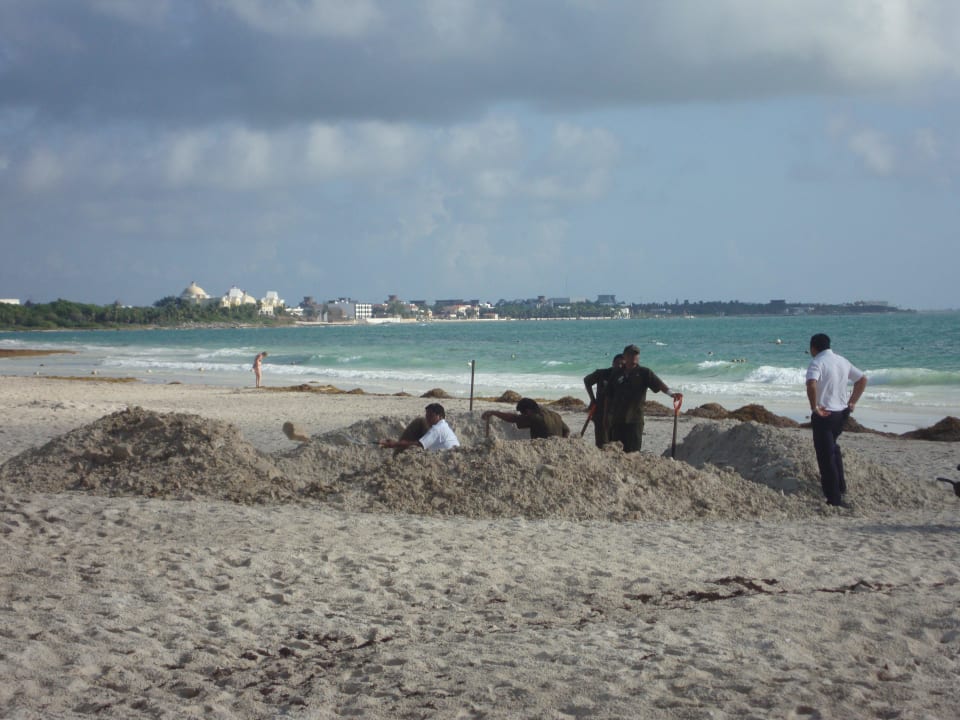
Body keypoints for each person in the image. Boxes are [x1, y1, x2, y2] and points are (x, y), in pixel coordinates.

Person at [805, 333, 868, 508]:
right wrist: (852, 402)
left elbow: (811, 383)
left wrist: (814, 408)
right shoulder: (842, 361)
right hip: (841, 414)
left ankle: (834, 499)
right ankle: (841, 487)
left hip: (825, 414)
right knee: (833, 448)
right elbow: (862, 379)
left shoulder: (817, 362)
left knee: (826, 457)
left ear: (813, 348)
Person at [606, 344, 682, 453]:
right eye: (631, 354)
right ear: (624, 356)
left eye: (636, 354)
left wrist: (672, 394)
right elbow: (608, 395)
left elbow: (659, 384)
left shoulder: (644, 372)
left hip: (635, 419)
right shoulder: (616, 373)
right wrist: (606, 416)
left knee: (633, 451)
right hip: (617, 419)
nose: (634, 357)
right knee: (616, 451)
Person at [379, 403, 460, 452]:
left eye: (431, 416)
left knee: (419, 423)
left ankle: (396, 457)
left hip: (446, 457)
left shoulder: (437, 429)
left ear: (440, 416)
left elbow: (419, 444)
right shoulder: (444, 426)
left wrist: (395, 444)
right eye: (427, 416)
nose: (428, 419)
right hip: (452, 454)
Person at [583, 353, 624, 448]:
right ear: (613, 363)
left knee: (615, 443)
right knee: (602, 443)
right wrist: (593, 399)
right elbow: (587, 381)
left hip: (617, 414)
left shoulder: (625, 377)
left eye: (622, 364)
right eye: (617, 363)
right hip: (600, 412)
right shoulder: (602, 373)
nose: (619, 366)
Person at [482, 398, 570, 439]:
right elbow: (567, 430)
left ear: (527, 411)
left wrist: (493, 412)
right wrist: (561, 443)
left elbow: (513, 418)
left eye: (522, 413)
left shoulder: (534, 417)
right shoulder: (555, 415)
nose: (522, 415)